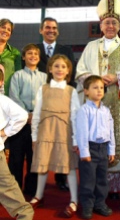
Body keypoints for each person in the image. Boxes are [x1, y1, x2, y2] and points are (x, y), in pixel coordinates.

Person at [75, 0, 120, 197]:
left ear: (119, 25)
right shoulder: (90, 47)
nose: (111, 26)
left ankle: (116, 188)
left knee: (118, 139)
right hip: (95, 106)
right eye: (107, 23)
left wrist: (118, 77)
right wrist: (96, 79)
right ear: (101, 25)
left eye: (114, 22)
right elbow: (80, 73)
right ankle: (94, 186)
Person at [29, 54, 80, 218]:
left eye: (63, 67)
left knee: (69, 166)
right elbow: (36, 114)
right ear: (50, 69)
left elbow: (76, 116)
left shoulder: (71, 91)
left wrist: (76, 139)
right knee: (42, 164)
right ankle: (39, 196)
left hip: (64, 133)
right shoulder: (42, 89)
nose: (60, 69)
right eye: (56, 66)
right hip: (45, 131)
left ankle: (74, 200)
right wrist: (34, 136)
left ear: (68, 71)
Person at [37, 17, 76, 190]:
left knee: (61, 141)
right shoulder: (33, 50)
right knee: (41, 143)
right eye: (47, 27)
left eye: (54, 28)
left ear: (57, 31)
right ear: (41, 30)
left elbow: (72, 75)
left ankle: (61, 180)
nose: (51, 30)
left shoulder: (65, 50)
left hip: (61, 101)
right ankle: (35, 185)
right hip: (41, 100)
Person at [8, 43, 47, 197]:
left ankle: (31, 191)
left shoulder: (44, 77)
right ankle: (14, 190)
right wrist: (26, 115)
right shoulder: (17, 76)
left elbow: (45, 98)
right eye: (29, 53)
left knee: (34, 158)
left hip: (37, 122)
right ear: (23, 57)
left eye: (35, 54)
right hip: (19, 121)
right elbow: (14, 96)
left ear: (38, 58)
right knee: (16, 158)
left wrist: (35, 115)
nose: (32, 56)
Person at [76, 75, 115, 219]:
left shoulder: (106, 111)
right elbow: (82, 133)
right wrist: (84, 152)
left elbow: (111, 132)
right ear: (86, 91)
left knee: (102, 180)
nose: (99, 91)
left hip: (103, 149)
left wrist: (111, 149)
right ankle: (87, 205)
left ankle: (100, 204)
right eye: (95, 87)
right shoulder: (84, 110)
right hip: (90, 150)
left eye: (101, 88)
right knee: (88, 180)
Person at [0, 88, 34, 220]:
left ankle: (24, 213)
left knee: (6, 185)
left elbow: (22, 116)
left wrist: (6, 132)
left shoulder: (2, 100)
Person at [0, 18, 22, 96]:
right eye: (3, 27)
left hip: (8, 95)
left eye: (9, 30)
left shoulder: (16, 53)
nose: (6, 31)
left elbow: (18, 77)